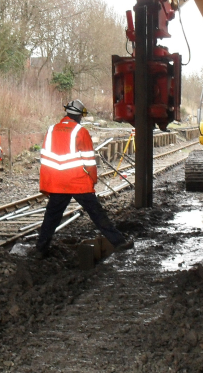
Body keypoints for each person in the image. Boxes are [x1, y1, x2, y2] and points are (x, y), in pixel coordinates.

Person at [35, 99, 133, 258]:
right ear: (79, 116)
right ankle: (119, 242)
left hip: (57, 184)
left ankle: (40, 250)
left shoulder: (51, 130)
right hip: (78, 183)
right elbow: (89, 161)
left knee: (51, 217)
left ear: (67, 113)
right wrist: (92, 180)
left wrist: (48, 183)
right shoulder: (81, 132)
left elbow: (45, 158)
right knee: (96, 213)